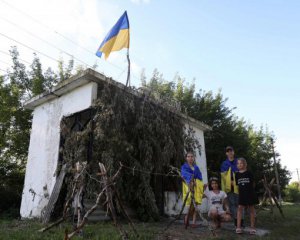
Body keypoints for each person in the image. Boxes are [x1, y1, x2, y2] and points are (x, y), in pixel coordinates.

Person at [220, 146, 243, 227]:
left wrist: (236, 182)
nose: (230, 152)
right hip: (229, 188)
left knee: (240, 204)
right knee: (232, 205)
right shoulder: (224, 164)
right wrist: (230, 182)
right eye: (228, 151)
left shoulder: (238, 162)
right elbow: (223, 177)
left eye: (231, 151)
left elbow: (242, 173)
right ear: (226, 153)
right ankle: (236, 221)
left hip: (239, 187)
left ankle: (241, 221)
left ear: (234, 152)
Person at [181, 151, 204, 228]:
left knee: (195, 205)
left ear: (194, 158)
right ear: (186, 158)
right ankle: (186, 219)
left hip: (196, 187)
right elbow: (184, 175)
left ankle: (194, 222)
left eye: (192, 156)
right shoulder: (184, 167)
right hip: (188, 187)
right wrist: (191, 181)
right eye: (188, 156)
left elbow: (200, 177)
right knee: (189, 204)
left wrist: (198, 183)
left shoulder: (196, 168)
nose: (190, 158)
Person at [235, 158, 256, 235]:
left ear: (245, 164)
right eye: (238, 163)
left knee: (251, 210)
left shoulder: (249, 173)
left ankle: (252, 227)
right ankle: (238, 227)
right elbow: (237, 185)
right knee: (240, 209)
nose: (239, 165)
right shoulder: (236, 174)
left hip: (250, 194)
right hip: (241, 194)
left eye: (241, 163)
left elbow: (253, 184)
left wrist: (250, 191)